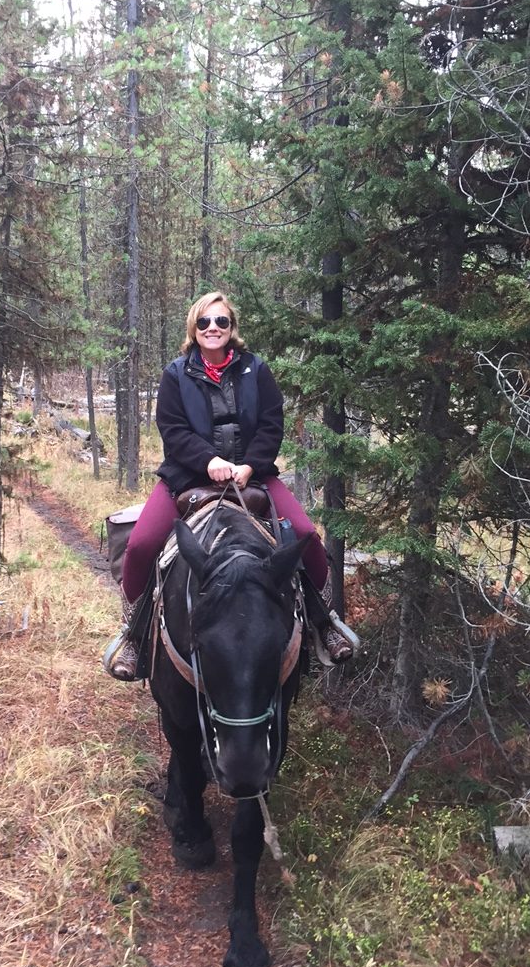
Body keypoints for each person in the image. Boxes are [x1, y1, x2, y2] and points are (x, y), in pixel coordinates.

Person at [104, 290, 355, 679]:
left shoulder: (257, 370)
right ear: (194, 327)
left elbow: (271, 424)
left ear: (232, 327)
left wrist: (250, 465)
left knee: (305, 535)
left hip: (253, 477)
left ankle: (324, 623)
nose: (213, 328)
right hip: (187, 477)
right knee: (141, 545)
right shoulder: (175, 375)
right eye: (204, 321)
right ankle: (135, 634)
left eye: (221, 321)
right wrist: (210, 461)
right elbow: (173, 430)